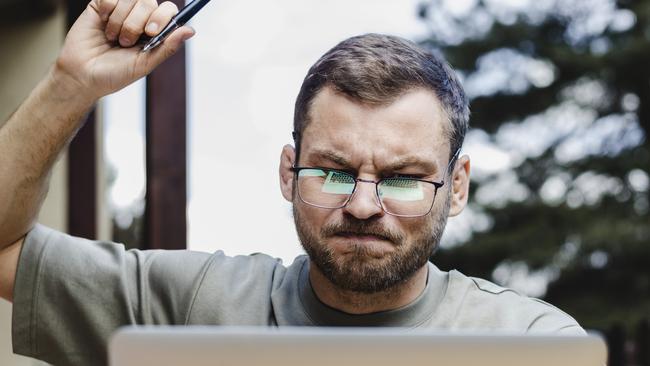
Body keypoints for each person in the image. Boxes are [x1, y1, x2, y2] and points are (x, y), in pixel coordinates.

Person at [0, 0, 584, 365]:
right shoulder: (195, 305)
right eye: (332, 171)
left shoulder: (531, 343)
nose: (362, 205)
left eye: (403, 179)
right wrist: (69, 84)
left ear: (456, 187)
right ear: (287, 171)